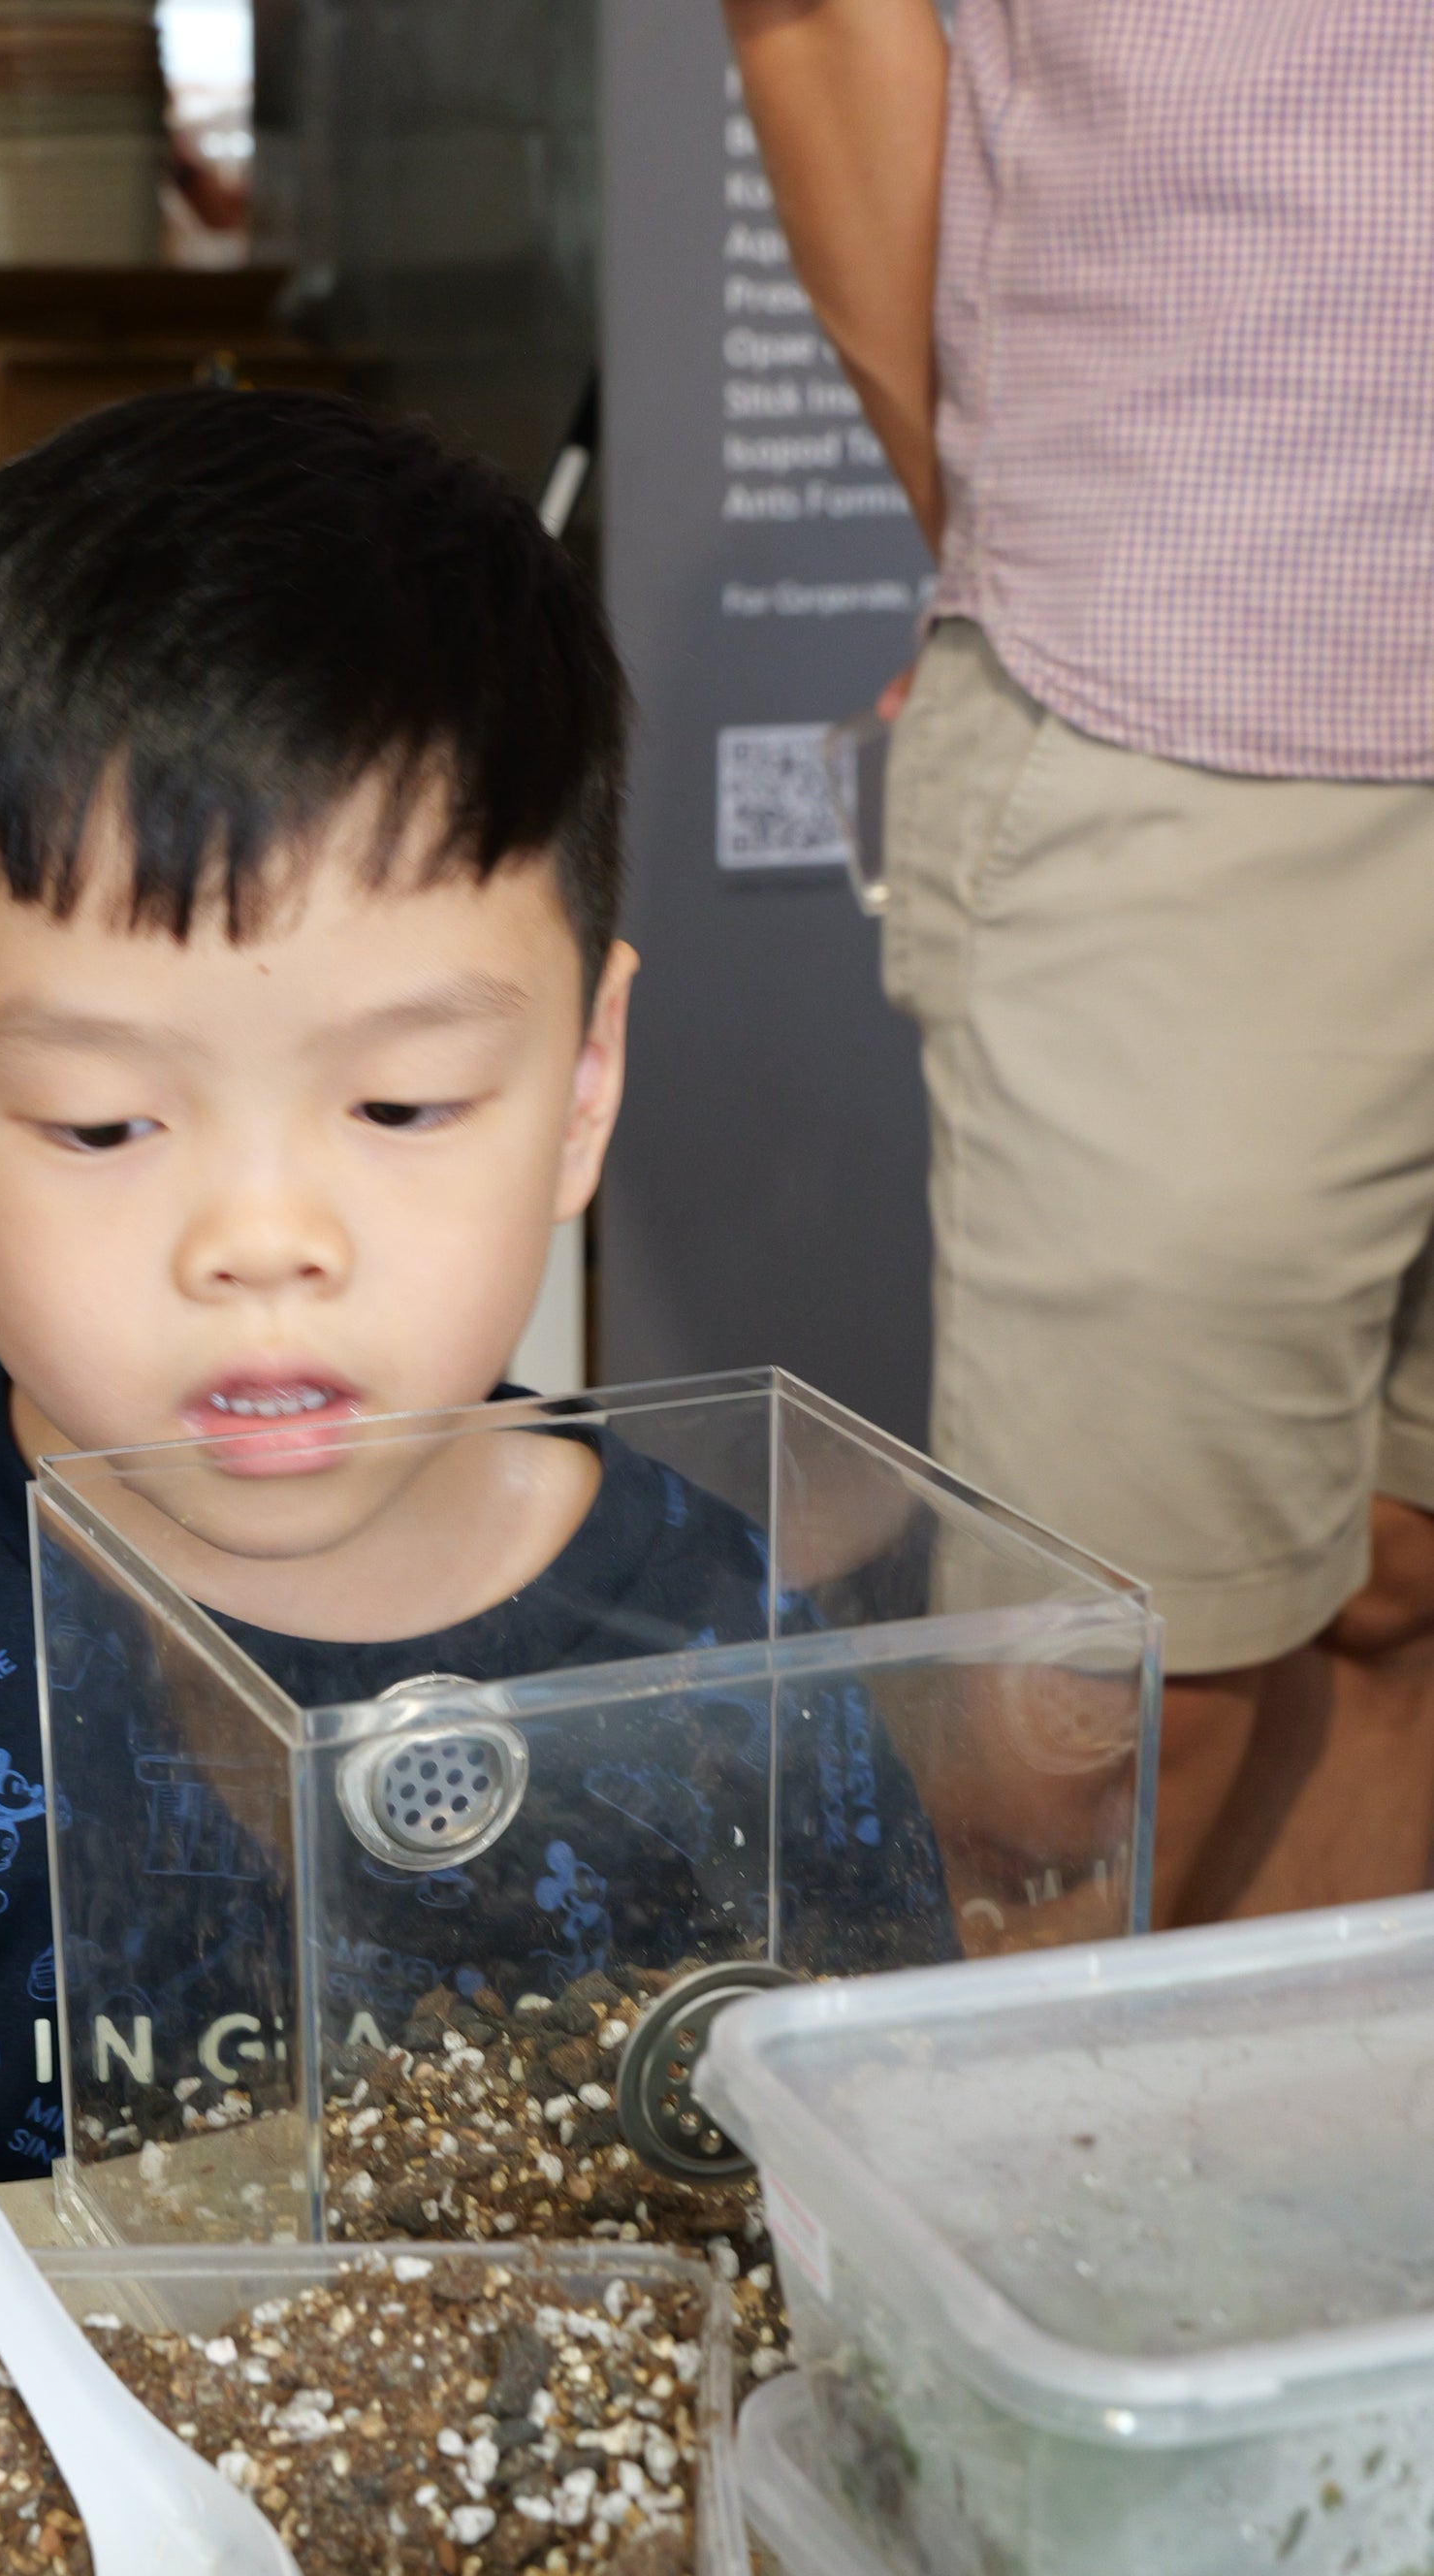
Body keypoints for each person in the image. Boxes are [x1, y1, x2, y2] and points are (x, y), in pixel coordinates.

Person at [0, 389, 951, 2232]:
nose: (262, 1238)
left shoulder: (736, 1679)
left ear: (583, 1081)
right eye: (102, 1122)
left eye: (400, 1104)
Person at [725, 0, 1434, 1928]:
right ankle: (1010, 2212)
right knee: (1106, 1706)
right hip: (1213, 661)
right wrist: (1016, 535)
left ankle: (1314, 2217)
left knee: (1401, 1578)